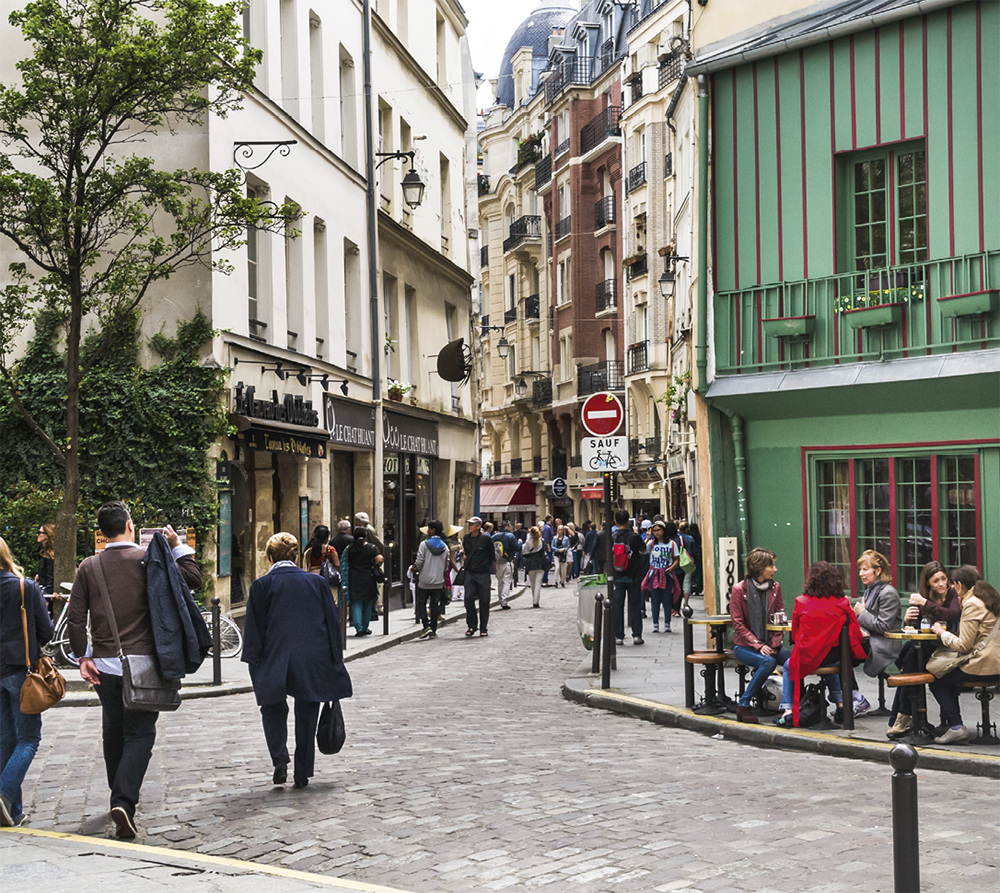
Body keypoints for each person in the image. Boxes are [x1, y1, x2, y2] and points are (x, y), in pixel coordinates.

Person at [68, 501, 201, 839]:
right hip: (145, 663)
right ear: (129, 525)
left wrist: (82, 656)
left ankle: (118, 793)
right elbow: (191, 579)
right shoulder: (148, 560)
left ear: (102, 532)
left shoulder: (89, 566)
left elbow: (75, 616)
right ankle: (124, 802)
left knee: (113, 729)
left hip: (105, 664)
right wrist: (177, 547)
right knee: (140, 733)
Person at [243, 532, 352, 788]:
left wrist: (254, 665)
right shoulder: (317, 583)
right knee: (307, 710)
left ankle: (280, 760)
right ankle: (302, 771)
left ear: (270, 558)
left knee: (272, 709)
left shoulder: (261, 586)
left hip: (273, 657)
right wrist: (335, 659)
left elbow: (253, 631)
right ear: (295, 556)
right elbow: (332, 621)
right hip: (311, 657)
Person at [0, 535, 54, 827]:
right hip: (21, 671)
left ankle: (13, 812)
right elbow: (45, 632)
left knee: (5, 741)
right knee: (29, 739)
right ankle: (4, 794)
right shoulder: (24, 587)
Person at [774, 561, 866, 728]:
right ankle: (841, 705)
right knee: (827, 651)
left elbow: (794, 635)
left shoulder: (801, 601)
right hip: (835, 658)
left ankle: (788, 710)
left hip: (809, 657)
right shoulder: (843, 603)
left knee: (789, 666)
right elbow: (855, 633)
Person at [886, 560, 966, 739]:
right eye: (936, 581)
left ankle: (902, 716)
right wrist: (908, 620)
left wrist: (925, 603)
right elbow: (916, 627)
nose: (941, 584)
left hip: (949, 646)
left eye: (943, 578)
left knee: (910, 662)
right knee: (911, 659)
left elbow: (953, 614)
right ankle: (906, 716)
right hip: (929, 646)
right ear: (928, 582)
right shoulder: (923, 597)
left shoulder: (953, 594)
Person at [927, 575, 1000, 745]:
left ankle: (956, 726)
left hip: (983, 665)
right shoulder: (991, 599)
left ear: (959, 585)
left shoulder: (972, 603)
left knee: (938, 681)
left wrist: (941, 632)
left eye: (953, 584)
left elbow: (963, 645)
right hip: (996, 663)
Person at [730, 548, 791, 724]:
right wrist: (758, 645)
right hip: (744, 646)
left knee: (793, 660)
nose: (775, 569)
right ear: (760, 568)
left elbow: (780, 619)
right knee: (768, 661)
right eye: (772, 566)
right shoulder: (738, 590)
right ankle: (744, 704)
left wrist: (774, 644)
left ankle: (792, 705)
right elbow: (738, 625)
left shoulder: (775, 587)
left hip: (771, 644)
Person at [852, 549, 903, 716]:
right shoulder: (871, 589)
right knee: (840, 654)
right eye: (860, 569)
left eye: (865, 569)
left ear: (878, 570)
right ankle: (852, 698)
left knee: (842, 657)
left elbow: (884, 626)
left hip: (884, 644)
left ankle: (854, 699)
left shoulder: (888, 593)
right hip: (871, 640)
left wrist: (862, 613)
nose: (861, 574)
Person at [412, 521, 456, 638]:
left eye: (429, 529)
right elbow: (446, 564)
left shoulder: (424, 544)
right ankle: (434, 629)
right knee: (434, 604)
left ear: (433, 530)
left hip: (424, 580)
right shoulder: (445, 546)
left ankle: (426, 626)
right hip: (438, 581)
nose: (427, 531)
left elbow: (420, 560)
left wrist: (416, 568)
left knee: (421, 603)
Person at [611, 510, 646, 646]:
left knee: (617, 606)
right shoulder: (634, 536)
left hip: (618, 575)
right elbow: (643, 551)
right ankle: (637, 635)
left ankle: (618, 636)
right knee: (635, 606)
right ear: (628, 522)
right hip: (634, 575)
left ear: (615, 522)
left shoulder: (612, 536)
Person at [462, 517, 495, 636]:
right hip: (470, 572)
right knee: (468, 598)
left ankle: (483, 627)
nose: (469, 526)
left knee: (484, 600)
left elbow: (491, 555)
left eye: (471, 524)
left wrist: (484, 565)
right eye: (469, 524)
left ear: (478, 526)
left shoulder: (486, 539)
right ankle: (472, 625)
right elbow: (466, 552)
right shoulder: (466, 538)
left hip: (482, 573)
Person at [345, 526, 380, 636]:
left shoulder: (350, 548)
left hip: (354, 577)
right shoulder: (371, 548)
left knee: (356, 603)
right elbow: (379, 559)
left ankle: (359, 628)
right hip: (368, 577)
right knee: (367, 603)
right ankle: (365, 627)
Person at [647, 521, 678, 633]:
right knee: (655, 600)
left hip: (667, 575)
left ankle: (667, 623)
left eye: (659, 530)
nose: (657, 533)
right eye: (654, 530)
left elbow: (676, 559)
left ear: (664, 530)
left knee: (666, 600)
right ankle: (655, 624)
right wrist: (647, 538)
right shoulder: (651, 544)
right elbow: (642, 552)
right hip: (654, 574)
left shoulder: (672, 544)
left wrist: (672, 568)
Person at [492, 521, 519, 609]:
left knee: (500, 581)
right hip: (508, 561)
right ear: (507, 526)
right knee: (506, 580)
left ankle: (500, 599)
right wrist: (519, 542)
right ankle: (504, 601)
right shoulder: (510, 536)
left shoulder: (494, 536)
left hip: (497, 561)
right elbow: (517, 547)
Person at [522, 526, 547, 608]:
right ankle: (536, 601)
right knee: (538, 584)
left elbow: (524, 553)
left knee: (532, 584)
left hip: (531, 564)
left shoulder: (528, 542)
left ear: (531, 533)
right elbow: (545, 552)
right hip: (540, 563)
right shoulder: (542, 541)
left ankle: (534, 599)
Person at [34, 524, 55, 596]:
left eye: (40, 532)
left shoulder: (49, 555)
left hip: (47, 593)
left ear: (47, 535)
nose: (37, 534)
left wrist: (48, 594)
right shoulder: (46, 552)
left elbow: (50, 576)